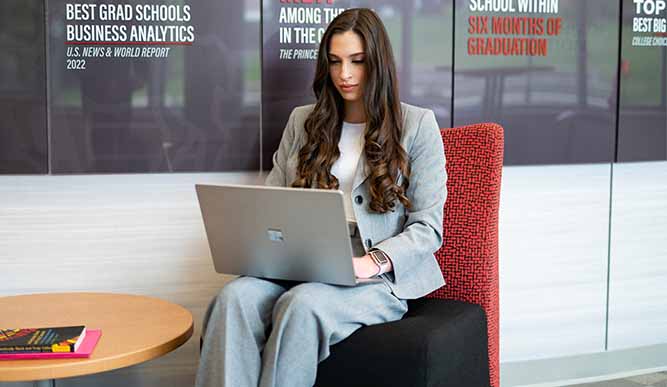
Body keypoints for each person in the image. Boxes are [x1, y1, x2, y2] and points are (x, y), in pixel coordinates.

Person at [195, 8, 446, 387]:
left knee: (303, 306)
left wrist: (371, 262)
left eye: (357, 61)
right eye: (335, 61)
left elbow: (428, 228)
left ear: (377, 63)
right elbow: (272, 203)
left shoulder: (417, 125)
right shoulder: (302, 121)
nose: (344, 74)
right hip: (300, 261)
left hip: (376, 278)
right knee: (234, 299)